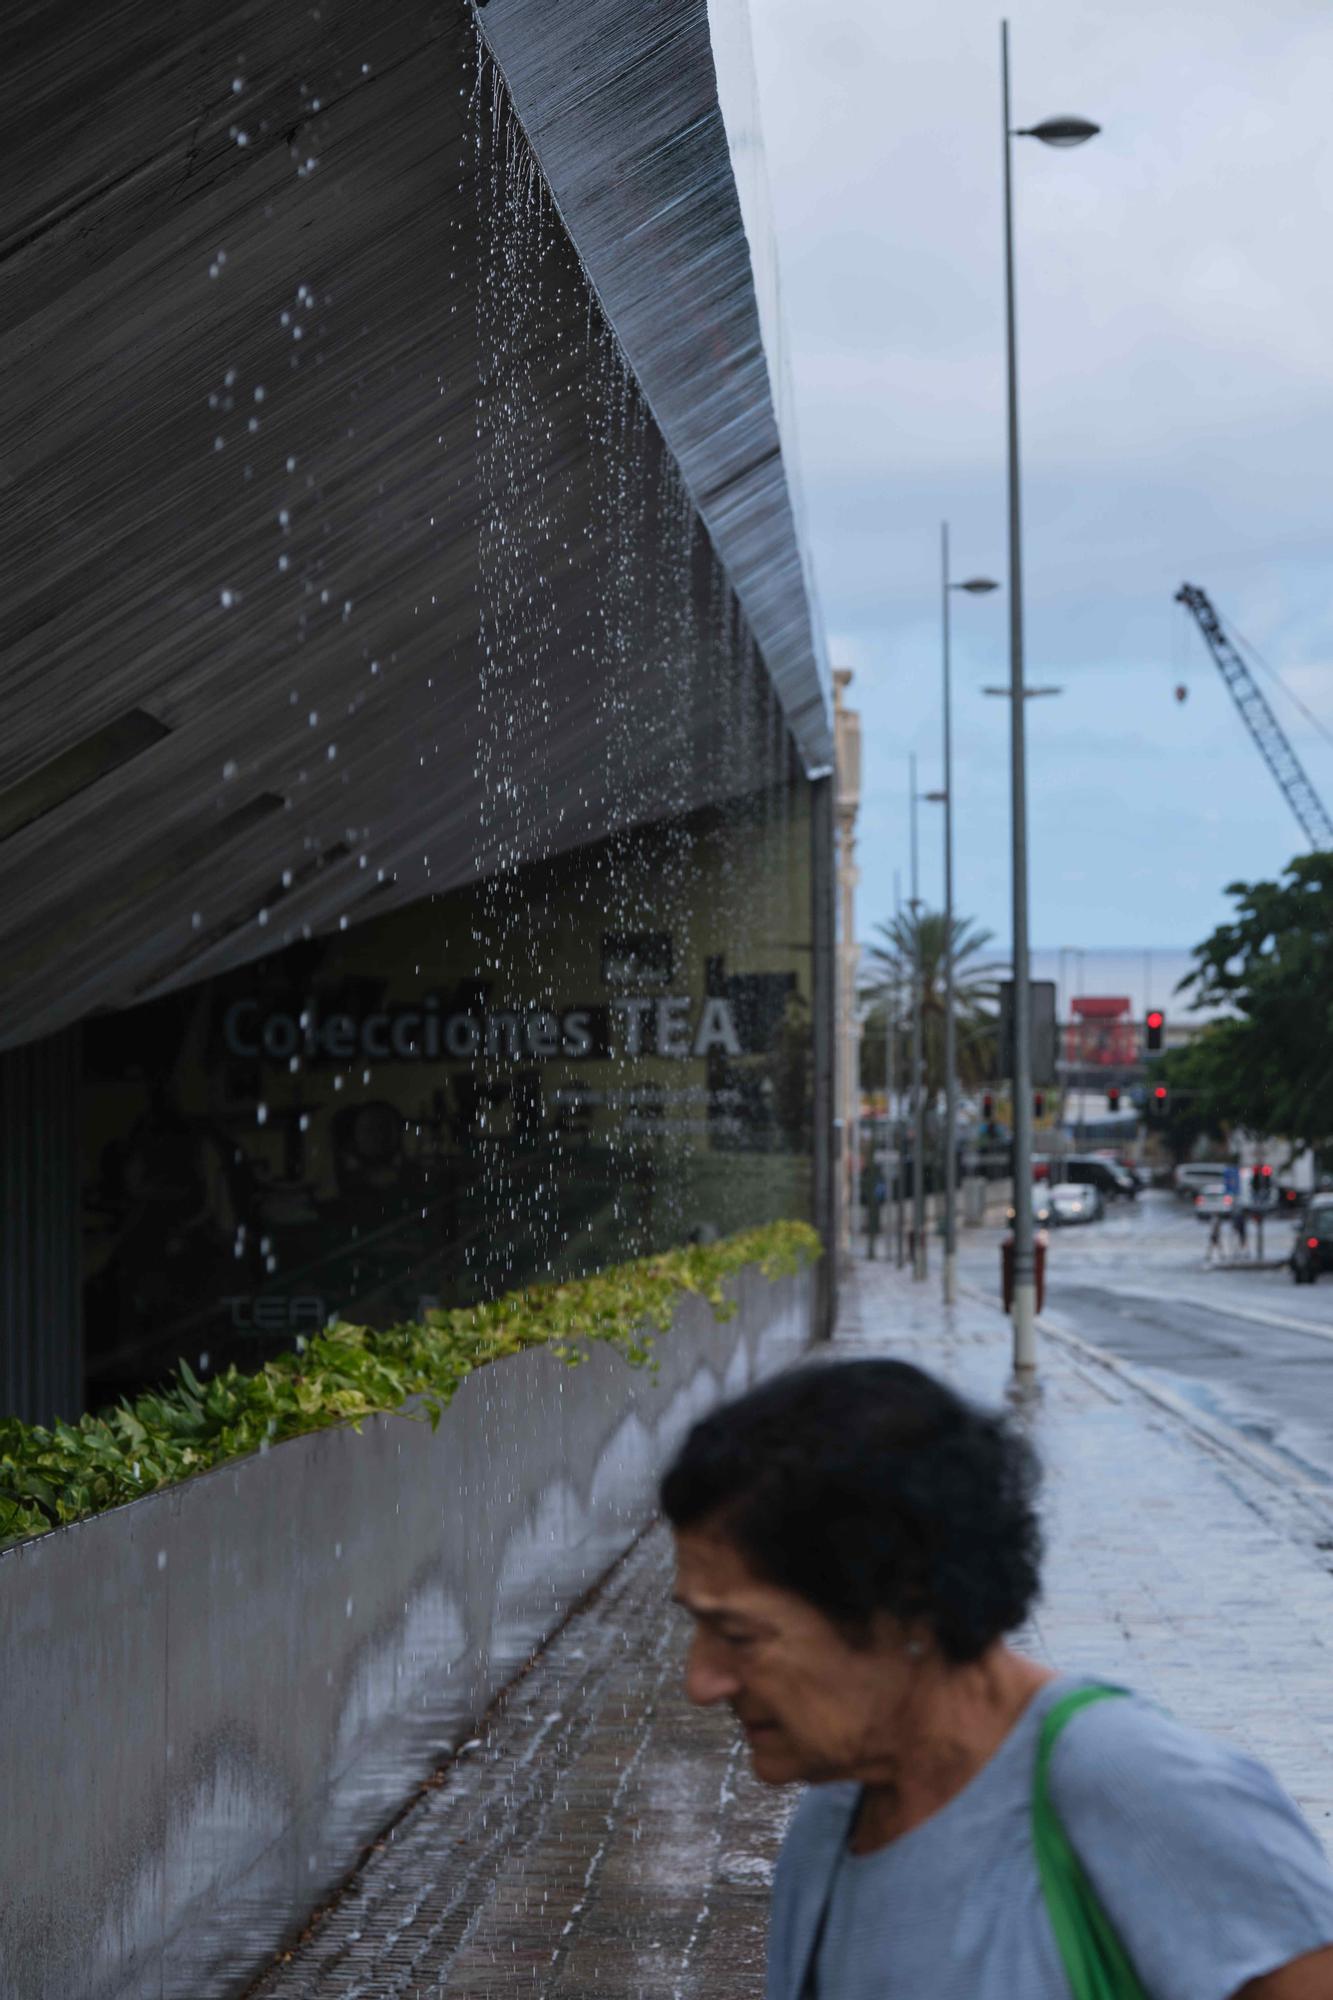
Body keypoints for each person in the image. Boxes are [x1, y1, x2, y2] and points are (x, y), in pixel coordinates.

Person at [662, 1360, 1333, 1998]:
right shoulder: (832, 1817)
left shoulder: (1136, 1790)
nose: (702, 1682)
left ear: (904, 1607)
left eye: (738, 1636)